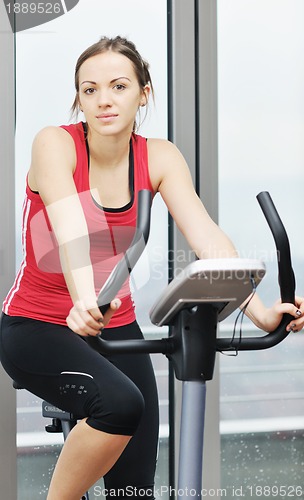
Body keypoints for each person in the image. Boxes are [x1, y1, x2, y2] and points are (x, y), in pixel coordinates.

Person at [0, 36, 303, 500]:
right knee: (120, 403)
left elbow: (207, 239)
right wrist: (84, 299)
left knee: (135, 488)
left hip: (114, 327)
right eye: (90, 90)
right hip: (35, 326)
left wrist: (262, 314)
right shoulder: (54, 145)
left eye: (119, 86)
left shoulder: (158, 157)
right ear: (78, 98)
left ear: (144, 91)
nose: (103, 100)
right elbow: (71, 230)